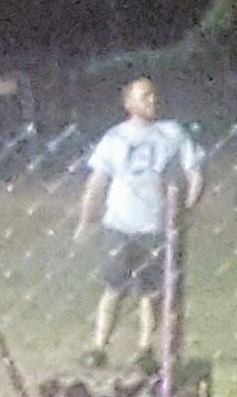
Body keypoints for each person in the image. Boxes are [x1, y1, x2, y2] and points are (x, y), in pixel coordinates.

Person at [76, 77, 206, 365]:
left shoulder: (172, 134)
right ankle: (99, 346)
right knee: (114, 288)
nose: (152, 101)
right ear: (128, 103)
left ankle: (145, 349)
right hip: (120, 226)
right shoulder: (114, 139)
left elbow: (195, 172)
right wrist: (87, 219)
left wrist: (186, 208)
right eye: (144, 96)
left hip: (156, 229)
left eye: (153, 95)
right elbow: (97, 182)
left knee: (152, 292)